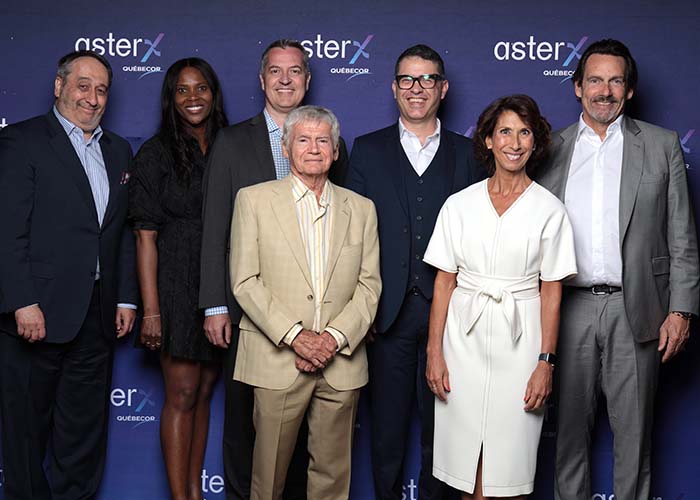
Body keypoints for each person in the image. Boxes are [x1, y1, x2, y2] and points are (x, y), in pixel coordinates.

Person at [535, 39, 700, 500]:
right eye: (594, 80)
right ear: (577, 88)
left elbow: (682, 235)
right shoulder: (551, 149)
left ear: (628, 90)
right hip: (568, 308)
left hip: (639, 309)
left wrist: (682, 310)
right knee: (568, 436)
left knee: (635, 440)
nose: (604, 90)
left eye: (615, 80)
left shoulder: (662, 145)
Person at [198, 39, 348, 500]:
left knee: (311, 441)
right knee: (247, 428)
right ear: (262, 80)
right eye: (276, 72)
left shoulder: (327, 139)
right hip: (252, 312)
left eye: (296, 71)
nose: (286, 80)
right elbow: (215, 224)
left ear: (307, 80)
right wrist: (214, 304)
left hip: (320, 317)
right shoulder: (232, 140)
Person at [346, 44, 484, 499]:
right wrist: (358, 312)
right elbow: (352, 237)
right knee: (385, 435)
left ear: (442, 88)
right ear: (394, 88)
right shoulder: (366, 150)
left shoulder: (470, 154)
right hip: (385, 317)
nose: (416, 88)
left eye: (427, 79)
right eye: (407, 79)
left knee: (442, 436)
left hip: (452, 317)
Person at [0, 50, 138, 500]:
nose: (92, 97)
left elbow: (119, 231)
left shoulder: (118, 149)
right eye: (83, 85)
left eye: (101, 90)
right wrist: (21, 300)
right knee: (26, 435)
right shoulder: (22, 142)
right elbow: (7, 230)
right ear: (59, 86)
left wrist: (125, 298)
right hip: (35, 315)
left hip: (96, 318)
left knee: (82, 436)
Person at [424, 94, 577, 498]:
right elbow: (444, 281)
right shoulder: (459, 205)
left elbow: (552, 290)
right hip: (463, 341)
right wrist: (434, 352)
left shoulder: (550, 210)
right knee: (464, 468)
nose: (514, 141)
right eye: (504, 131)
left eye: (524, 132)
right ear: (488, 140)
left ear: (535, 142)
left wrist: (545, 362)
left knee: (508, 469)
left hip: (521, 344)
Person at [230, 105, 381, 500]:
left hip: (341, 362)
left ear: (334, 151)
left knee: (332, 480)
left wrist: (331, 338)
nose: (313, 149)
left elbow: (369, 287)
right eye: (303, 139)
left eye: (322, 141)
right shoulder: (254, 200)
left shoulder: (361, 209)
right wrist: (297, 337)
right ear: (285, 147)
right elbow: (245, 282)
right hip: (277, 359)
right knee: (268, 479)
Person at [128, 57, 228, 500]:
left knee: (205, 390)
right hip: (174, 281)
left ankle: (194, 491)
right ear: (171, 97)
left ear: (214, 93)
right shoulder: (156, 152)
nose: (193, 98)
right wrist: (152, 311)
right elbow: (145, 237)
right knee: (183, 391)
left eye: (201, 88)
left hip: (221, 283)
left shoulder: (229, 143)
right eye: (183, 90)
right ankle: (179, 496)